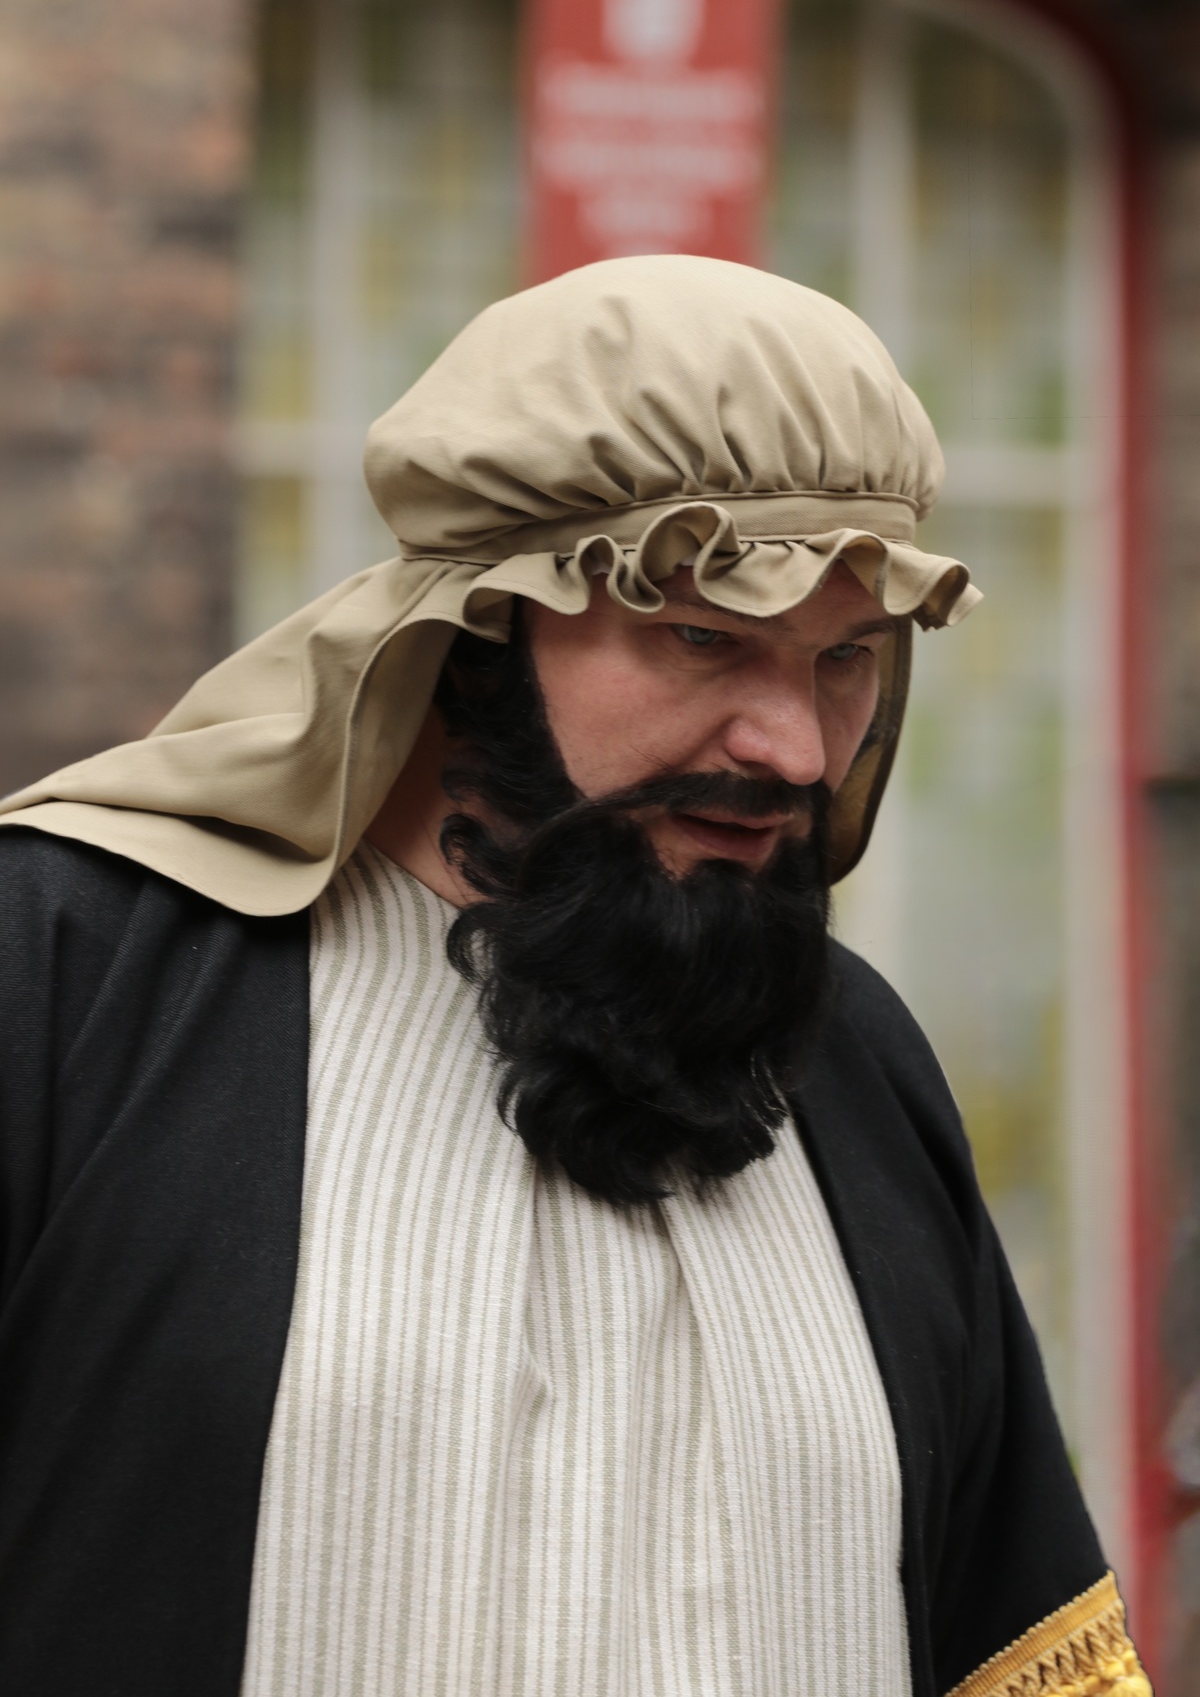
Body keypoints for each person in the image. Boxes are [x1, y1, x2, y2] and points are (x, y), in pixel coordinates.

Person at [0, 257, 1149, 1697]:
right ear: (483, 626)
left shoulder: (855, 1063)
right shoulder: (68, 976)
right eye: (704, 640)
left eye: (846, 661)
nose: (796, 749)